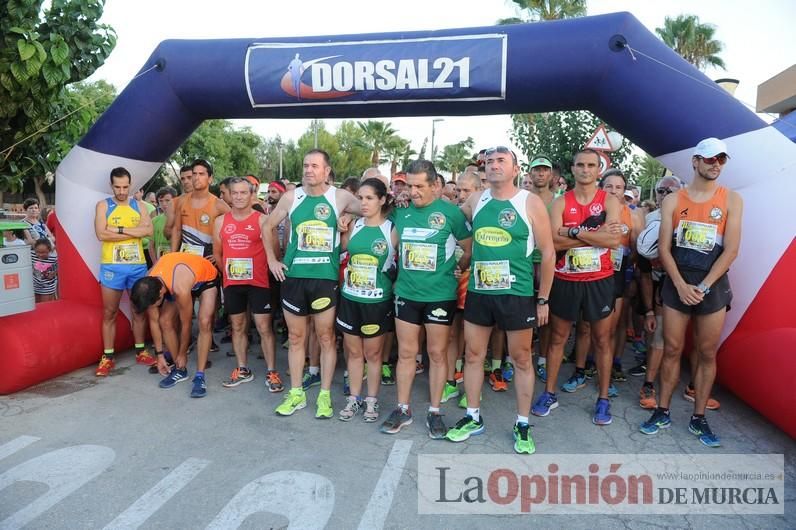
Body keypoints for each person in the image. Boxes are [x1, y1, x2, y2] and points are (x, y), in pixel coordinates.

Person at [445, 146, 554, 454]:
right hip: (480, 292)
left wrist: (543, 299)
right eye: (490, 161)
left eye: (501, 161)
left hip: (517, 294)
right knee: (474, 356)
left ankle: (522, 423)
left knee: (520, 359)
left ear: (515, 169)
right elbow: (451, 222)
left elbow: (547, 254)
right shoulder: (476, 199)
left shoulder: (529, 202)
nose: (493, 166)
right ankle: (472, 416)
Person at [640, 138, 741, 448]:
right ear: (695, 162)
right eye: (710, 159)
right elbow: (664, 250)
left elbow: (731, 250)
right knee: (671, 350)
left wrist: (704, 286)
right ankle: (662, 410)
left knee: (707, 353)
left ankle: (698, 417)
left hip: (711, 287)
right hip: (677, 285)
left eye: (721, 160)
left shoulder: (731, 199)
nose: (716, 164)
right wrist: (681, 285)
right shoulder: (673, 200)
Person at [379, 159, 472, 439]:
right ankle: (403, 408)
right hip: (406, 293)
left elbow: (468, 248)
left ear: (435, 185)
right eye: (409, 185)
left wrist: (461, 267)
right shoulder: (402, 214)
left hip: (439, 295)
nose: (413, 191)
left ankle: (434, 412)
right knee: (407, 353)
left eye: (419, 186)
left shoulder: (451, 214)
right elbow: (388, 245)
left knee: (436, 354)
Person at [264, 149, 360, 418]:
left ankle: (324, 396)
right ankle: (296, 394)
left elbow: (370, 207)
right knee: (296, 338)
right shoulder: (292, 196)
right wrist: (273, 261)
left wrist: (348, 220)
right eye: (306, 165)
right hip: (294, 277)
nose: (308, 170)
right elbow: (266, 226)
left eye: (315, 166)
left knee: (326, 337)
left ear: (327, 171)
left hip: (324, 278)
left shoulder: (339, 197)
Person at [531, 148, 622, 426]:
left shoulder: (609, 200)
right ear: (573, 169)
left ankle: (603, 399)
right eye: (580, 165)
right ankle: (549, 394)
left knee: (602, 340)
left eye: (591, 165)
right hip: (566, 280)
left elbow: (613, 241)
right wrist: (594, 236)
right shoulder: (560, 203)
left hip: (599, 280)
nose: (585, 170)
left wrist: (571, 232)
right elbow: (553, 243)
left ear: (598, 169)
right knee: (558, 337)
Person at [212, 177, 283, 392]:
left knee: (264, 328)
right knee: (237, 327)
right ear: (229, 195)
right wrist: (231, 274)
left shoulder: (262, 220)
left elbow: (276, 252)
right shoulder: (220, 222)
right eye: (235, 193)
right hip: (233, 283)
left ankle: (272, 372)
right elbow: (217, 254)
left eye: (244, 193)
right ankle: (242, 369)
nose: (240, 197)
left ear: (252, 194)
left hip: (258, 282)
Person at [336, 178, 397, 422]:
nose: (364, 203)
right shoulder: (354, 225)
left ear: (382, 200)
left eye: (370, 198)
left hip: (377, 302)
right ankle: (354, 398)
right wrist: (342, 228)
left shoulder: (392, 230)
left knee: (373, 354)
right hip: (350, 298)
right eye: (360, 198)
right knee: (353, 353)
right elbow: (342, 251)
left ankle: (371, 401)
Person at [130, 252, 220, 397]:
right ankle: (180, 370)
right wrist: (159, 356)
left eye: (155, 304)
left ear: (161, 294)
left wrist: (183, 353)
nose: (153, 307)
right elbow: (154, 322)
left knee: (205, 322)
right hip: (175, 277)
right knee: (164, 321)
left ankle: (200, 376)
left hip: (205, 278)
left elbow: (186, 325)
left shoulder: (179, 288)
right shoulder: (148, 283)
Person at [93, 167, 154, 376]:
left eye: (125, 187)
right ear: (111, 186)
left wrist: (117, 230)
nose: (121, 191)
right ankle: (108, 356)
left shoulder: (139, 205)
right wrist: (133, 233)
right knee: (109, 312)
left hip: (137, 266)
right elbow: (101, 234)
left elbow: (148, 231)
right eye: (117, 187)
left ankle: (140, 350)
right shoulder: (103, 206)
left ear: (131, 185)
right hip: (112, 266)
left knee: (139, 310)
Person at [526, 156, 556, 383]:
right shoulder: (519, 198)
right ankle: (514, 358)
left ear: (551, 175)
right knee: (520, 315)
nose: (540, 174)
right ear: (530, 174)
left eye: (545, 170)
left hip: (548, 263)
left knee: (547, 317)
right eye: (536, 169)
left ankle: (543, 360)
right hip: (523, 264)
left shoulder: (559, 201)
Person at [170, 159, 230, 259]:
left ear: (210, 179)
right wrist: (172, 254)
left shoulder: (219, 205)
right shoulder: (181, 201)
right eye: (194, 174)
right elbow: (176, 230)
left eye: (201, 174)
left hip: (207, 259)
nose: (197, 178)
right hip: (185, 257)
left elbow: (234, 232)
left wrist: (219, 254)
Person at [149, 186, 178, 263]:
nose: (164, 204)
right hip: (159, 261)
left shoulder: (181, 219)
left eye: (167, 200)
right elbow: (151, 245)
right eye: (161, 201)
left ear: (175, 200)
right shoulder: (154, 220)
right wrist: (155, 263)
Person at [31, 238, 58, 302]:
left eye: (43, 252)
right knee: (36, 306)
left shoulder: (54, 258)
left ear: (49, 250)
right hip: (35, 286)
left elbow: (60, 268)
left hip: (47, 287)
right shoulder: (32, 255)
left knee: (45, 306)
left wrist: (54, 273)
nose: (40, 255)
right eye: (37, 252)